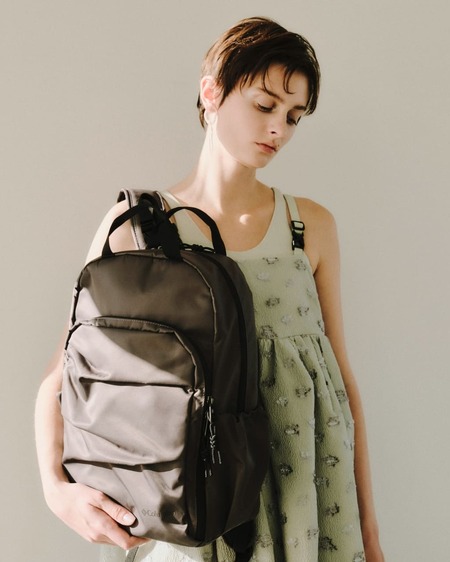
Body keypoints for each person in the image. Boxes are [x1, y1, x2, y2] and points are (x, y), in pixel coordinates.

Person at [35, 16, 384, 562]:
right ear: (212, 91)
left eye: (294, 116)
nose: (279, 129)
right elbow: (64, 377)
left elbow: (341, 386)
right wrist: (58, 492)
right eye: (265, 105)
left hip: (305, 507)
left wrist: (369, 534)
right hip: (188, 505)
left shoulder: (309, 227)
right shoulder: (135, 228)